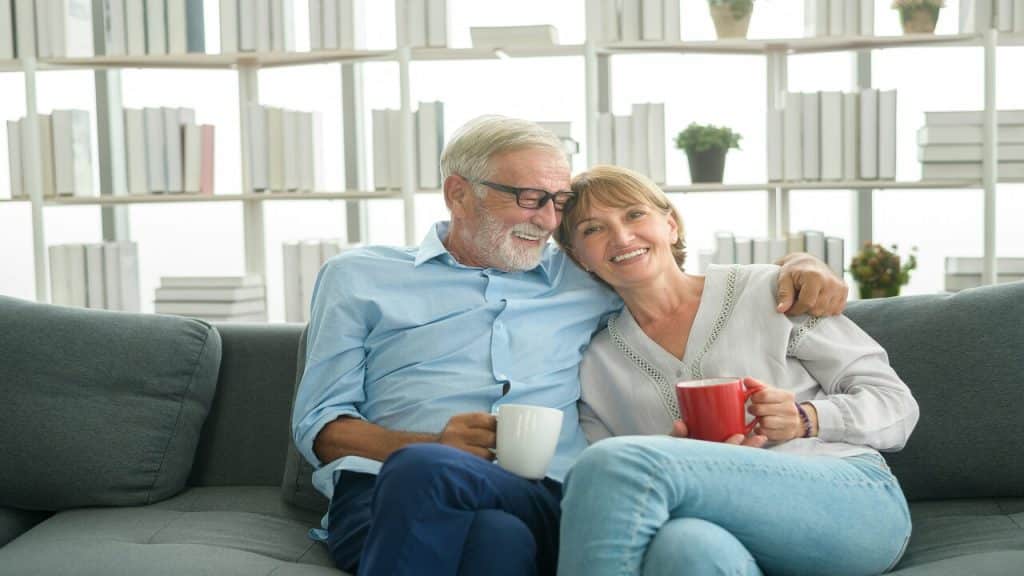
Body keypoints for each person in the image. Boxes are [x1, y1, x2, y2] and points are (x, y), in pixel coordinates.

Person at [291, 116, 848, 576]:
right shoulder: (357, 277)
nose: (549, 221)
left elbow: (677, 281)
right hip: (390, 489)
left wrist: (797, 266)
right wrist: (430, 442)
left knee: (488, 515)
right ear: (459, 193)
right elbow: (320, 426)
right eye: (531, 199)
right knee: (481, 527)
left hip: (544, 492)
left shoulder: (583, 273)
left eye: (558, 202)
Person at [551, 165, 920, 576]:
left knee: (611, 463)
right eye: (592, 229)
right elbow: (602, 496)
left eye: (634, 214)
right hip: (714, 526)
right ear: (576, 257)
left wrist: (806, 419)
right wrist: (688, 457)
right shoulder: (595, 363)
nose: (621, 237)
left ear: (670, 225)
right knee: (683, 549)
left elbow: (896, 405)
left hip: (847, 499)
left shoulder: (771, 292)